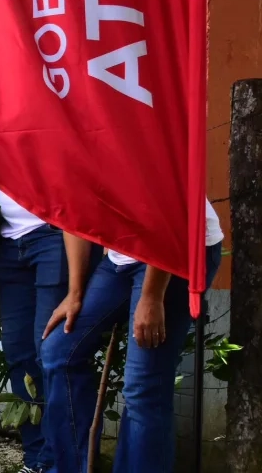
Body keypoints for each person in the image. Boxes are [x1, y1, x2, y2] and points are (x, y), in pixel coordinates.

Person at [40, 201, 223, 473]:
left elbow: (169, 209)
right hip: (122, 255)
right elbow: (73, 208)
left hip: (178, 248)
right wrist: (74, 293)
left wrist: (152, 296)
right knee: (58, 352)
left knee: (143, 387)